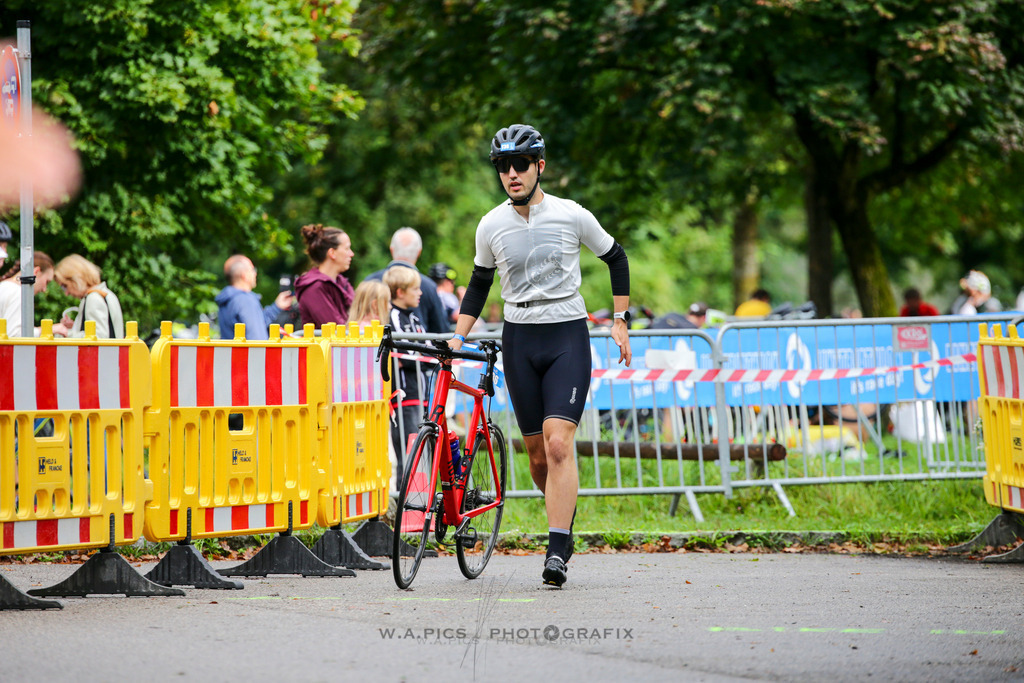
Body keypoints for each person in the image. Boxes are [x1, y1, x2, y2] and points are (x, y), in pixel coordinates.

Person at [447, 123, 632, 588]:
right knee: (534, 456)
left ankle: (555, 547)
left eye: (521, 164)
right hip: (519, 336)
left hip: (566, 332)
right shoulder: (491, 224)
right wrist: (457, 337)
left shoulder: (571, 214)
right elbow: (479, 283)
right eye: (503, 166)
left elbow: (616, 257)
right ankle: (563, 521)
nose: (512, 173)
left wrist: (619, 319)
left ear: (539, 167)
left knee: (557, 443)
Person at [383, 265, 428, 486]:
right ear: (400, 292)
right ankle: (406, 507)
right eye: (415, 289)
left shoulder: (415, 318)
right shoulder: (393, 316)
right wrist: (422, 354)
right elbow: (408, 354)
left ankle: (421, 507)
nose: (420, 293)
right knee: (408, 453)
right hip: (404, 394)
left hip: (422, 391)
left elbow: (428, 349)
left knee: (422, 452)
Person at [363, 227, 447, 334]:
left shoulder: (370, 282)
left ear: (391, 249)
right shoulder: (428, 286)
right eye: (415, 289)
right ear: (419, 252)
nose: (419, 292)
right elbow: (441, 329)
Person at [214, 254, 294, 340]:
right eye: (252, 269)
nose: (255, 273)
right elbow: (257, 338)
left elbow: (256, 322)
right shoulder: (246, 300)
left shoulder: (228, 298)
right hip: (248, 353)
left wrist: (276, 307)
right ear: (244, 275)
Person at [294, 223, 355, 330]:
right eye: (347, 249)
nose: (351, 254)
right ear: (332, 253)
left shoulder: (342, 283)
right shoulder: (313, 288)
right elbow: (337, 330)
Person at [52, 254, 124, 339]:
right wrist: (74, 328)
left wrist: (65, 333)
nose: (66, 293)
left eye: (65, 286)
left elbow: (99, 337)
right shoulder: (106, 293)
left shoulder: (93, 298)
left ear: (75, 279)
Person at [0, 251, 55, 337]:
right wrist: (50, 329)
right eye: (47, 282)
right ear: (36, 272)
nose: (44, 289)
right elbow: (14, 334)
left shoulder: (4, 286)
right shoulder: (19, 294)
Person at [428, 261, 460, 328]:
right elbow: (458, 316)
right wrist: (464, 299)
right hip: (446, 334)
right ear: (447, 282)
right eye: (452, 282)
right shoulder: (448, 296)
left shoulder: (427, 294)